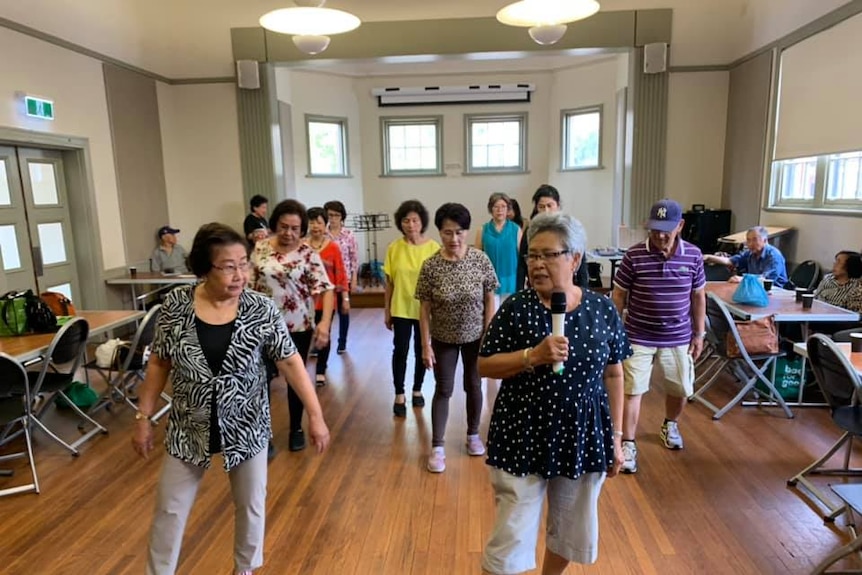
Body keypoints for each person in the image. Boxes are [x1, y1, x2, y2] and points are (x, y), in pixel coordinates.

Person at [132, 223, 330, 575]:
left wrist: (315, 415)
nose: (240, 274)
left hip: (247, 423)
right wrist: (144, 418)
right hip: (188, 426)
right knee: (169, 509)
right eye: (228, 266)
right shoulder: (176, 305)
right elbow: (160, 361)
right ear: (205, 268)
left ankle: (245, 570)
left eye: (244, 263)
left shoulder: (261, 308)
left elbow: (290, 361)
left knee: (251, 505)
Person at [478, 211, 629, 575]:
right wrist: (532, 356)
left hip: (582, 433)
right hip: (522, 432)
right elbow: (484, 364)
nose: (537, 265)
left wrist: (618, 438)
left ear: (575, 258)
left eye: (549, 255)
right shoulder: (516, 308)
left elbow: (614, 373)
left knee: (570, 528)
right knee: (510, 535)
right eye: (532, 255)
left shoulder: (602, 308)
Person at [612, 199, 706, 475]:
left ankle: (670, 424)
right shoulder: (634, 255)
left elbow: (698, 295)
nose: (660, 235)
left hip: (678, 336)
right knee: (633, 390)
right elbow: (618, 294)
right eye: (654, 229)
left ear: (680, 226)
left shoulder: (693, 255)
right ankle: (628, 444)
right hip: (638, 335)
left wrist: (699, 334)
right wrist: (616, 331)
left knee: (680, 388)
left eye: (666, 229)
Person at [415, 203, 498, 473]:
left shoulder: (480, 260)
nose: (454, 239)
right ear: (440, 232)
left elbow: (489, 298)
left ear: (467, 231)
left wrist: (488, 333)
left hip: (476, 337)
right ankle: (437, 447)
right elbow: (424, 308)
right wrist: (425, 345)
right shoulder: (431, 266)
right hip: (443, 337)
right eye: (448, 233)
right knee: (444, 389)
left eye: (459, 232)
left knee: (474, 385)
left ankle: (473, 435)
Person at [250, 200, 334, 452]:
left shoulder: (309, 254)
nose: (289, 233)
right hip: (261, 325)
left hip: (298, 325)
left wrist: (325, 323)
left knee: (295, 379)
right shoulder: (261, 248)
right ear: (275, 225)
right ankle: (262, 433)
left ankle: (297, 427)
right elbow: (248, 283)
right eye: (284, 227)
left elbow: (326, 289)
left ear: (302, 229)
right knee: (260, 379)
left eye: (295, 228)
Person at [384, 200, 440, 417]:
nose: (410, 224)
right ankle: (399, 392)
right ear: (401, 223)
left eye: (415, 220)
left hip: (426, 309)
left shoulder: (434, 248)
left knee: (422, 350)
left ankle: (417, 389)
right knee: (400, 350)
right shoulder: (394, 248)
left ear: (422, 222)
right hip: (400, 307)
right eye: (406, 220)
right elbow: (389, 282)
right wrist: (386, 310)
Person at [305, 207, 349, 386]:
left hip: (326, 300)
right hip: (305, 301)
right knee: (306, 335)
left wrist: (345, 298)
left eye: (319, 222)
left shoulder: (333, 247)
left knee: (325, 332)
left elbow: (340, 274)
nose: (315, 226)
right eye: (311, 221)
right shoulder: (302, 247)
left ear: (325, 225)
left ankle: (320, 369)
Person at [515, 185, 588, 291]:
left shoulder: (569, 229)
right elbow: (522, 264)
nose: (546, 211)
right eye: (541, 206)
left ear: (558, 206)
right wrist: (519, 289)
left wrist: (583, 290)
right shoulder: (531, 231)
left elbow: (581, 262)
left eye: (550, 206)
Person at [703, 226, 788, 287]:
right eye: (748, 240)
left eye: (754, 240)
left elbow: (766, 279)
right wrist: (708, 257)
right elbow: (730, 261)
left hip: (775, 292)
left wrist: (743, 279)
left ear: (765, 240)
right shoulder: (750, 253)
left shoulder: (774, 256)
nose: (750, 244)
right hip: (755, 289)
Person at [324, 200, 359, 354]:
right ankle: (323, 342)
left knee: (343, 310)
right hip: (326, 279)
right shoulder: (322, 233)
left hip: (344, 279)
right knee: (326, 313)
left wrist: (354, 278)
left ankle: (342, 342)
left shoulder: (348, 235)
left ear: (342, 217)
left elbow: (354, 258)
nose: (333, 218)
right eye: (330, 215)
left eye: (336, 215)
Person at [477, 192, 521, 302]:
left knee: (509, 315)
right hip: (489, 282)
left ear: (508, 209)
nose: (499, 210)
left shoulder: (516, 230)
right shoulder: (483, 230)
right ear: (491, 209)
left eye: (503, 207)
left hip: (511, 282)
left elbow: (522, 256)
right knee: (492, 316)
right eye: (496, 206)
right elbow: (477, 258)